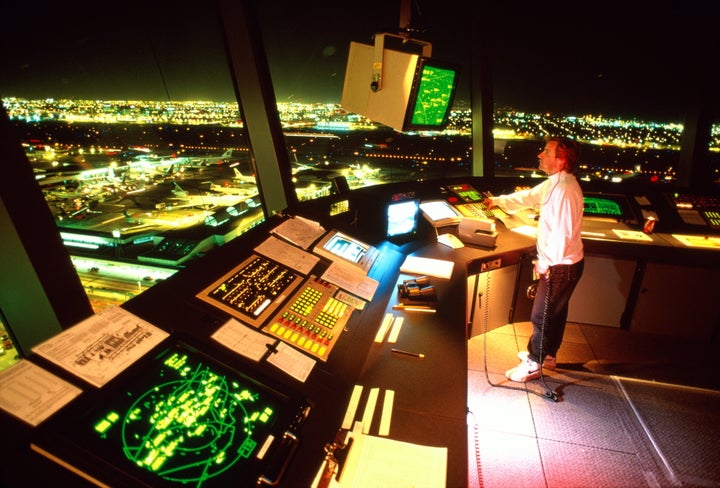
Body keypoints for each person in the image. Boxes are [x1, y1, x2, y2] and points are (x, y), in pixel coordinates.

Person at [483, 135, 585, 382]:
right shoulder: (555, 183)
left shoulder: (564, 190)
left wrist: (545, 264)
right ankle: (548, 355)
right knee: (556, 313)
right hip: (565, 263)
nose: (540, 155)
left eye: (547, 153)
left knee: (542, 315)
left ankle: (534, 363)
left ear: (561, 161)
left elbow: (562, 234)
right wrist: (496, 201)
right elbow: (527, 197)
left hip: (561, 265)